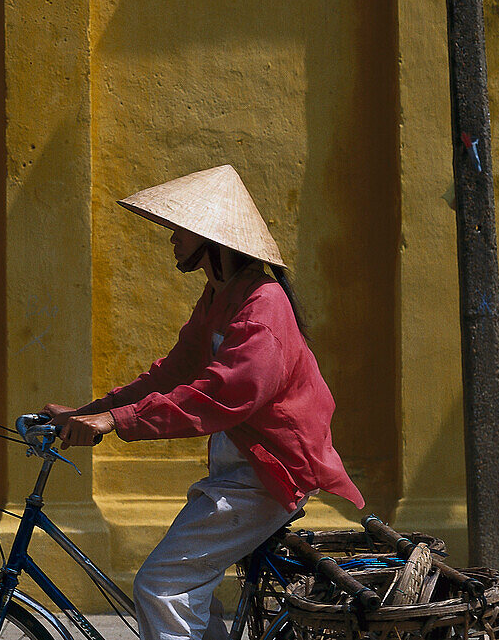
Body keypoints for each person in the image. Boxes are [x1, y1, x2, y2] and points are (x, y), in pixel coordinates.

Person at [41, 164, 365, 640]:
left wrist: (116, 420)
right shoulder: (220, 296)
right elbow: (173, 372)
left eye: (180, 229)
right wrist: (94, 411)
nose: (171, 237)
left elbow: (220, 396)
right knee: (188, 593)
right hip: (240, 472)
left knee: (161, 586)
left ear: (210, 237)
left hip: (269, 474)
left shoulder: (263, 307)